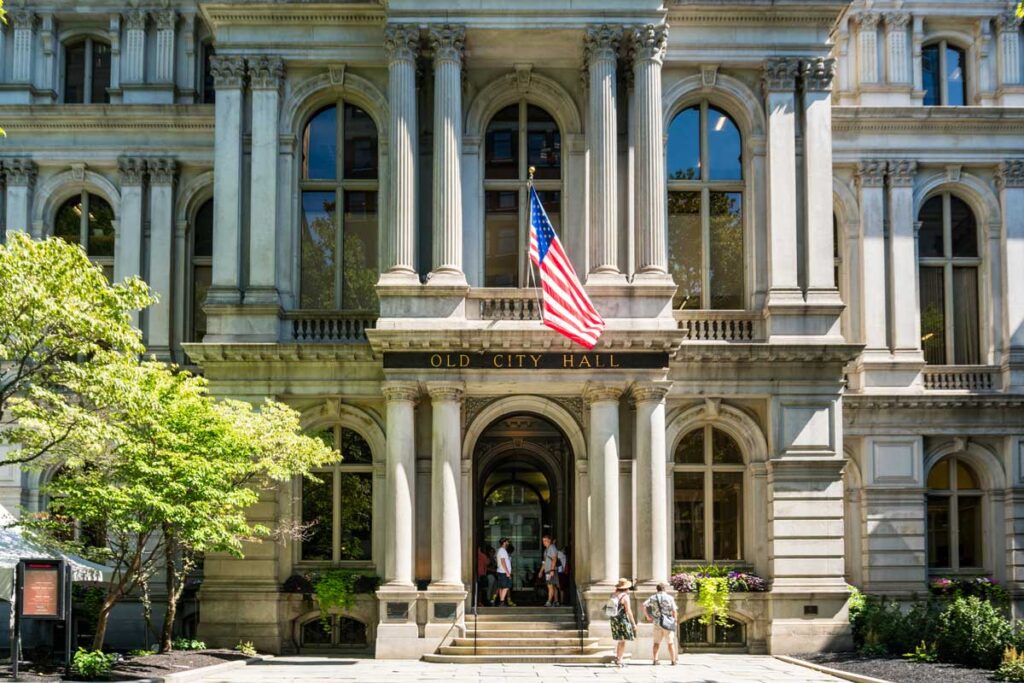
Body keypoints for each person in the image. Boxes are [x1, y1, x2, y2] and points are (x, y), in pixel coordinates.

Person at [642, 583, 678, 665]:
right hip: (668, 623)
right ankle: (673, 660)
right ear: (664, 589)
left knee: (656, 643)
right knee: (670, 642)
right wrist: (674, 620)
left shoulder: (653, 597)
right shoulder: (669, 597)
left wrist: (648, 616)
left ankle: (655, 660)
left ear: (657, 589)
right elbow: (674, 610)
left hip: (657, 622)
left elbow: (644, 605)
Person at [607, 578, 637, 667]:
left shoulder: (613, 595)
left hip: (614, 619)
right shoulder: (625, 596)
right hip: (622, 620)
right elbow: (628, 611)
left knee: (620, 640)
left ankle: (618, 658)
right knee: (622, 641)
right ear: (626, 588)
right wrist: (633, 623)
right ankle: (620, 660)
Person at [537, 534, 560, 606]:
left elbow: (554, 559)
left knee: (550, 585)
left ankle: (549, 601)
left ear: (549, 540)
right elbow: (544, 562)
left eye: (545, 540)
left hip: (551, 570)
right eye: (543, 541)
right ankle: (556, 601)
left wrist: (552, 570)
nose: (544, 542)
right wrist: (541, 571)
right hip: (548, 570)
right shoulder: (546, 550)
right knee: (553, 586)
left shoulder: (551, 548)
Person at [495, 538, 513, 607]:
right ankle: (502, 602)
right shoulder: (502, 551)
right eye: (507, 542)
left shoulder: (501, 550)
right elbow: (503, 562)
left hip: (501, 571)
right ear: (504, 543)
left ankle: (501, 601)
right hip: (503, 572)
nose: (508, 543)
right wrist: (507, 572)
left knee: (501, 587)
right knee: (506, 586)